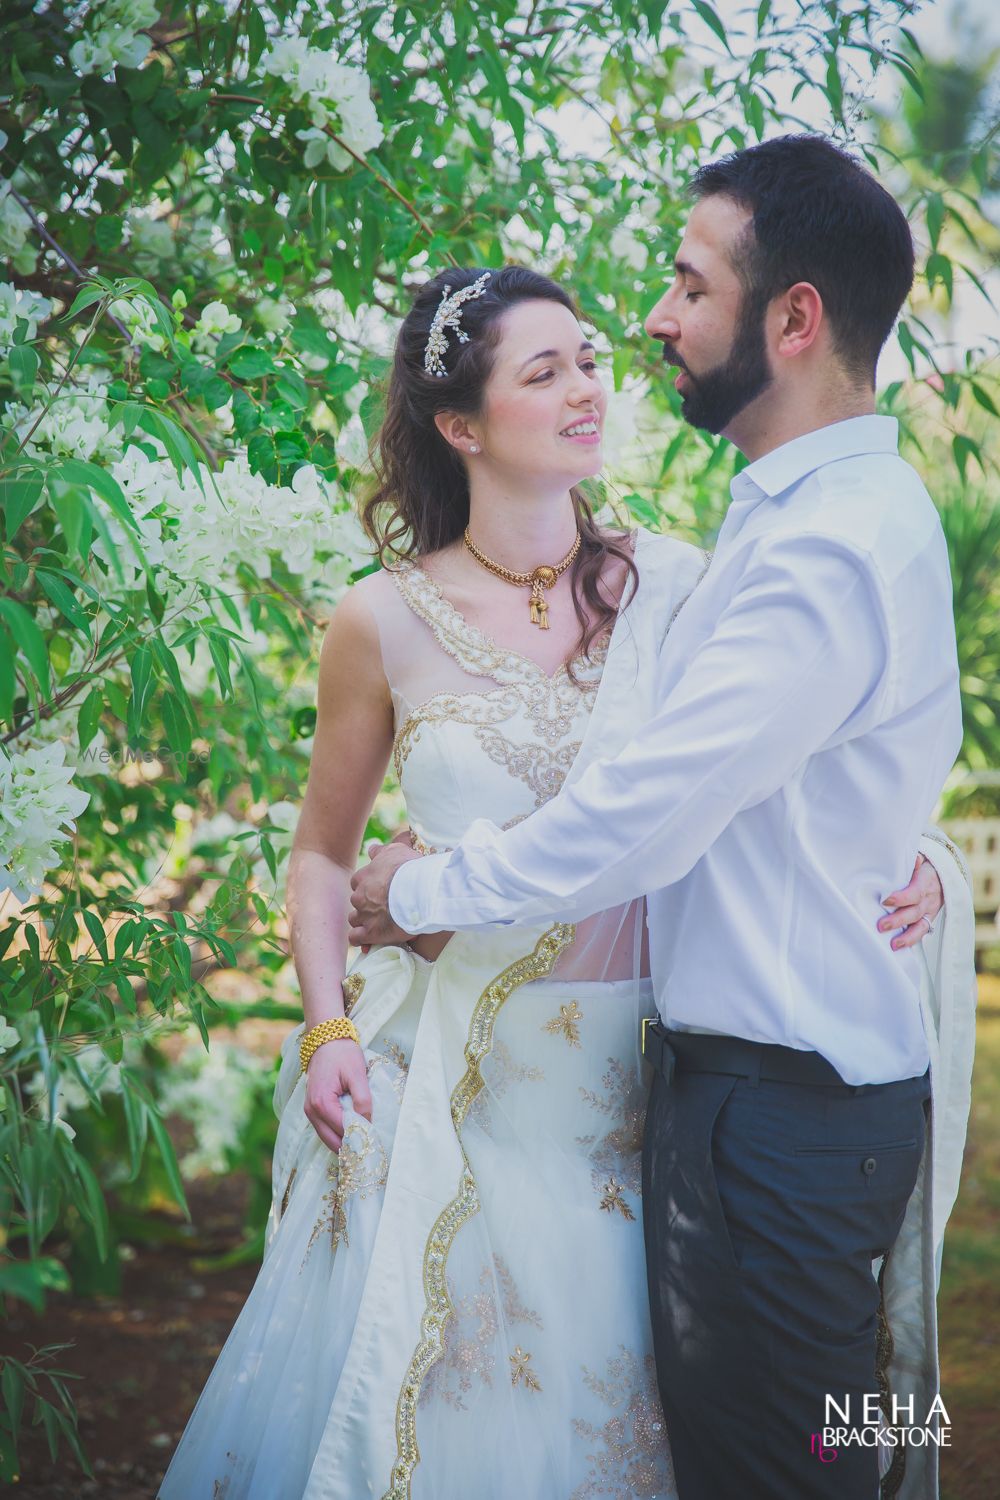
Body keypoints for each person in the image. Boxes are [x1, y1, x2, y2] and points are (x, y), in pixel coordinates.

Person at [158, 266, 964, 1500]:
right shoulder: (381, 620)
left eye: (588, 358)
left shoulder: (682, 585)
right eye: (546, 372)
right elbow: (324, 852)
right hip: (454, 1095)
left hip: (651, 1099)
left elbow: (791, 760)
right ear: (461, 425)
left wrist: (919, 858)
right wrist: (324, 1024)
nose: (590, 385)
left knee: (708, 1425)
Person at [349, 138, 977, 1500]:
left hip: (779, 1130)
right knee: (801, 1450)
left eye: (690, 287)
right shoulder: (805, 517)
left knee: (800, 1470)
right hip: (699, 1114)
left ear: (793, 318)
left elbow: (646, 814)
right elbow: (821, 767)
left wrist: (411, 891)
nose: (652, 323)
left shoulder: (821, 544)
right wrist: (904, 846)